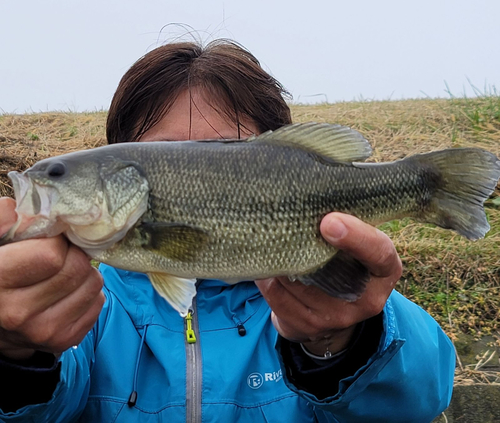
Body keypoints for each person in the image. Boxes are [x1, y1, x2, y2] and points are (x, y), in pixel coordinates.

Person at [0, 40, 455, 422]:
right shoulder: (89, 302)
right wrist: (15, 351)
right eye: (171, 153)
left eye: (222, 152)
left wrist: (347, 339)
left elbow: (419, 399)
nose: (195, 165)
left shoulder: (324, 296)